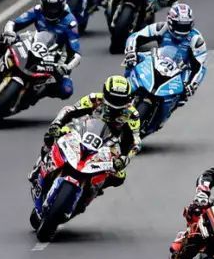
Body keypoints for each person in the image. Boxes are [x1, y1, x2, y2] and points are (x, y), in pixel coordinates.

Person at [33, 74, 142, 204]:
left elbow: (135, 141)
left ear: (128, 99)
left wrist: (125, 158)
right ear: (105, 92)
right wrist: (56, 124)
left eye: (120, 100)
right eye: (113, 98)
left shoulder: (132, 114)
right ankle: (40, 164)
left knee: (119, 176)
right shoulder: (94, 99)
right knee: (53, 135)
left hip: (109, 143)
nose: (116, 103)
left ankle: (92, 191)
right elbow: (70, 110)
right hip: (82, 130)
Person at [0, 0, 80, 100]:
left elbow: (76, 53)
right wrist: (9, 33)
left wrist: (67, 67)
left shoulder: (70, 22)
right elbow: (13, 23)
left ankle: (39, 93)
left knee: (67, 90)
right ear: (42, 5)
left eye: (54, 9)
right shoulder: (37, 10)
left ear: (61, 6)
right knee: (3, 39)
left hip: (57, 57)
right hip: (34, 42)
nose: (51, 12)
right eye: (48, 8)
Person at [124, 2, 208, 113]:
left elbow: (201, 67)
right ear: (170, 22)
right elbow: (135, 36)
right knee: (133, 60)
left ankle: (167, 108)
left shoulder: (196, 39)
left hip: (179, 71)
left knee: (183, 95)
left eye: (185, 26)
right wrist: (131, 52)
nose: (182, 30)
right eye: (179, 25)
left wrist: (193, 84)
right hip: (157, 61)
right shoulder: (161, 27)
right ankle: (125, 87)